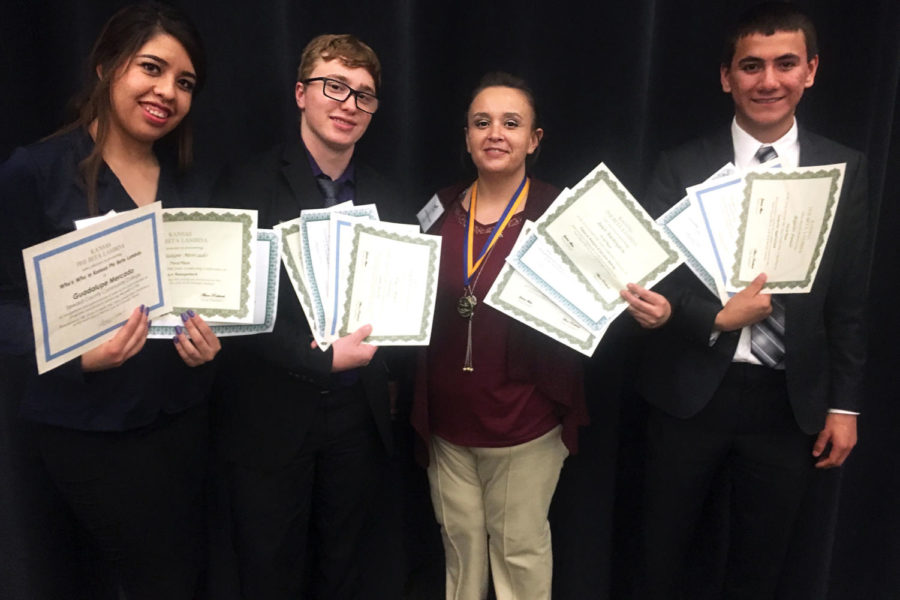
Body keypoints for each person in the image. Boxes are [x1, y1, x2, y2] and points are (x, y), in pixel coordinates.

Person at [621, 3, 872, 598]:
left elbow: (851, 299)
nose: (768, 81)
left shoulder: (845, 169)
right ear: (726, 76)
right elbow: (651, 278)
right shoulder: (679, 165)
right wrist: (715, 316)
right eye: (751, 65)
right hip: (687, 398)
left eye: (785, 64)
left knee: (762, 568)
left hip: (788, 408)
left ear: (810, 71)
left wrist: (845, 406)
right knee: (662, 560)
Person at [0, 3, 219, 599]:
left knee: (184, 573)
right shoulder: (37, 172)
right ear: (106, 66)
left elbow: (206, 295)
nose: (167, 91)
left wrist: (213, 340)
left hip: (183, 422)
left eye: (185, 82)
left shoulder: (189, 182)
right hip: (89, 432)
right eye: (152, 67)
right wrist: (71, 351)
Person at [213, 34, 403, 599]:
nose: (349, 104)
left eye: (364, 95)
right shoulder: (245, 184)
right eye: (334, 87)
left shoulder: (388, 199)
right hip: (270, 417)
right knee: (269, 567)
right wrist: (317, 357)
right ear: (301, 93)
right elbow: (233, 310)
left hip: (357, 419)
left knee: (344, 565)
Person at [412, 72, 588, 600]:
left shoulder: (563, 213)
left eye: (512, 123)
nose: (496, 133)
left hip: (525, 423)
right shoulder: (437, 210)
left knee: (519, 554)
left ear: (534, 140)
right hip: (446, 424)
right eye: (482, 122)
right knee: (460, 550)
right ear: (466, 136)